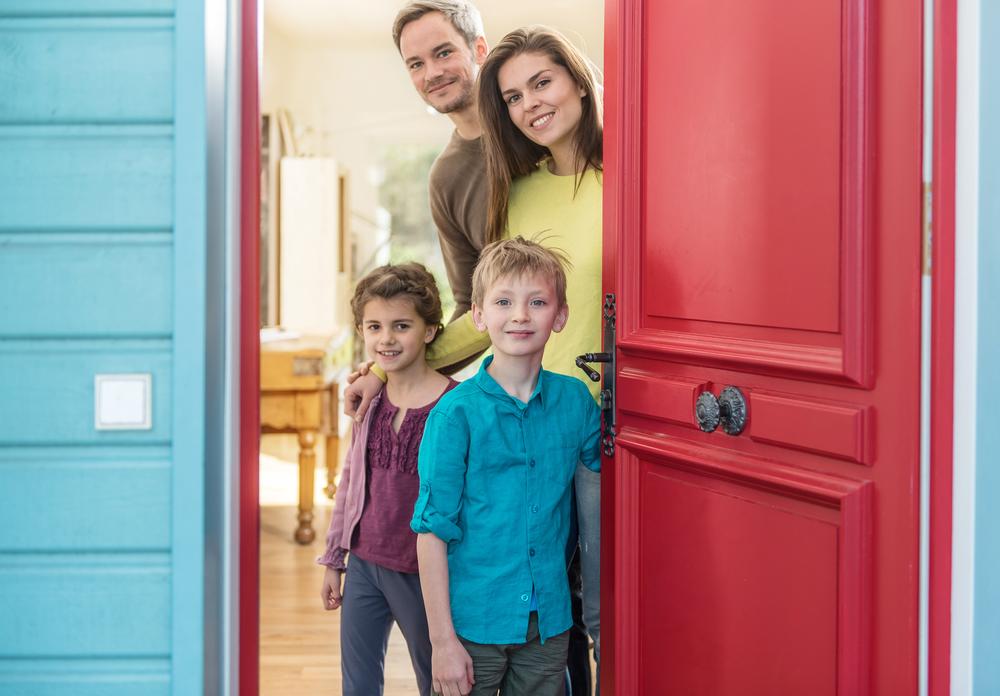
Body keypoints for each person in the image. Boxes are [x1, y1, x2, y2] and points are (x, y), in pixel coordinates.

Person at [411, 237, 601, 696]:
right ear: (479, 316)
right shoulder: (454, 415)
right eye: (503, 301)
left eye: (537, 302)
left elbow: (600, 505)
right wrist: (442, 643)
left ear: (559, 316)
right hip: (471, 625)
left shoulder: (575, 401)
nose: (520, 315)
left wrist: (599, 619)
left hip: (549, 624)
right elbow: (432, 533)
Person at [318, 263, 457, 696]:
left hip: (422, 573)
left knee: (434, 679)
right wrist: (334, 557)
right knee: (357, 685)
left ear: (430, 330)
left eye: (401, 325)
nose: (386, 339)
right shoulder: (368, 401)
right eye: (374, 327)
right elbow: (350, 483)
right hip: (363, 565)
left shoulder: (454, 406)